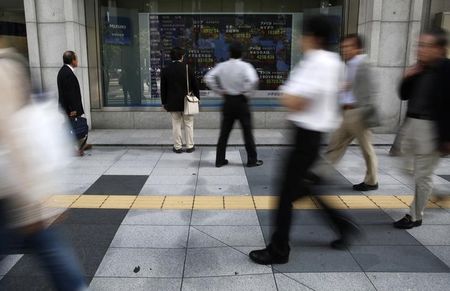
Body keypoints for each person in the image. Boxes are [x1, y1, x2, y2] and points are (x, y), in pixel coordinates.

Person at [249, 15, 360, 265]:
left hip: (305, 136)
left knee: (285, 196)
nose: (300, 39)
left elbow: (297, 101)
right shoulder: (334, 62)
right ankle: (344, 226)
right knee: (306, 188)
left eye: (303, 34)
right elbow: (339, 92)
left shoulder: (316, 62)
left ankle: (279, 250)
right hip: (314, 136)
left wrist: (285, 96)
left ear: (314, 37)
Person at [0, 39, 87, 291]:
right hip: (13, 194)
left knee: (47, 245)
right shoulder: (7, 67)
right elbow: (16, 137)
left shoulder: (7, 64)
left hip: (12, 193)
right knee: (48, 246)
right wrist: (35, 203)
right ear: (72, 60)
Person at [393, 29, 450, 229]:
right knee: (405, 167)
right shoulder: (420, 68)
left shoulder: (447, 70)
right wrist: (407, 77)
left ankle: (415, 216)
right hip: (412, 124)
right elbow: (403, 95)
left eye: (426, 45)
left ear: (440, 49)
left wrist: (446, 139)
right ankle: (433, 192)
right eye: (419, 45)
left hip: (431, 128)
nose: (421, 50)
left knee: (422, 175)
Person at [325, 34, 380, 191]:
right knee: (335, 144)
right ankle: (319, 173)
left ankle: (372, 181)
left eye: (348, 47)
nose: (344, 50)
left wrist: (365, 114)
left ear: (358, 48)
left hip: (359, 114)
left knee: (367, 149)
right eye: (343, 47)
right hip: (347, 113)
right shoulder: (349, 65)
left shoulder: (364, 64)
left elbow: (370, 92)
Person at [204, 42, 263, 168]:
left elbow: (208, 78)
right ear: (241, 53)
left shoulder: (222, 66)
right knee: (247, 132)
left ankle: (219, 160)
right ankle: (252, 161)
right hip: (241, 102)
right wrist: (247, 93)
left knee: (224, 133)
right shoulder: (246, 66)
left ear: (229, 53)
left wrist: (220, 91)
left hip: (228, 101)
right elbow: (254, 80)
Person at [160, 47, 199, 153]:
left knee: (176, 124)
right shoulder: (187, 68)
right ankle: (190, 146)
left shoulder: (166, 69)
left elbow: (163, 88)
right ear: (181, 56)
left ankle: (177, 147)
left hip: (172, 102)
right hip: (187, 102)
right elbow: (195, 85)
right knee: (188, 123)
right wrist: (197, 98)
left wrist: (164, 102)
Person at [57, 51, 91, 156]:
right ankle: (72, 149)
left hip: (69, 107)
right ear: (73, 60)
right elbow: (69, 94)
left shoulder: (65, 71)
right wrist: (72, 109)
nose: (77, 61)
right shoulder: (67, 73)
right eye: (76, 58)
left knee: (75, 125)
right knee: (72, 127)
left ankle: (81, 144)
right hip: (70, 108)